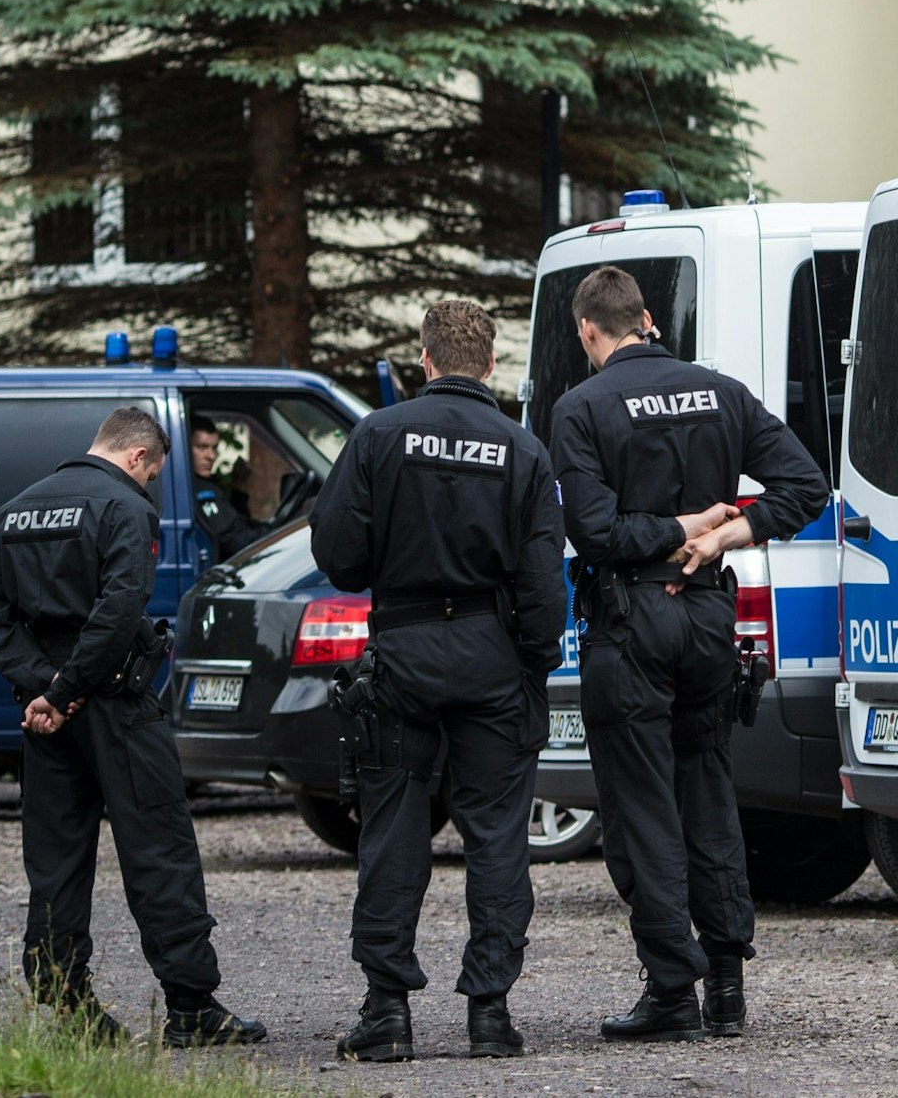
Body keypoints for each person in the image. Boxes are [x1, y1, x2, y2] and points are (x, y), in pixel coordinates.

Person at [548, 266, 828, 1041]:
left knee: (641, 804)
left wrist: (676, 531)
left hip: (631, 617)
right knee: (707, 791)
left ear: (588, 333)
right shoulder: (721, 390)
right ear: (649, 321)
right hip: (708, 620)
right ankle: (728, 987)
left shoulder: (580, 408)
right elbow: (807, 486)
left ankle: (673, 983)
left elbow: (595, 532)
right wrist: (724, 534)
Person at [308, 300, 565, 1062]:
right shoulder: (522, 449)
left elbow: (339, 554)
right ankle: (490, 1011)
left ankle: (387, 1011)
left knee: (391, 831)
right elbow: (547, 589)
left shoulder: (377, 436)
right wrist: (531, 659)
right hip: (492, 654)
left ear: (424, 360)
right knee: (495, 836)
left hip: (404, 651)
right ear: (489, 366)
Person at [0, 406, 266, 1049]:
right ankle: (191, 1009)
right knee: (159, 850)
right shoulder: (124, 508)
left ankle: (67, 1005)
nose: (151, 482)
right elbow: (118, 610)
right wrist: (70, 688)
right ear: (137, 456)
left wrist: (44, 690)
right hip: (113, 704)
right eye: (154, 471)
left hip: (46, 718)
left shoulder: (15, 510)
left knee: (55, 862)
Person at [188, 415, 270, 560]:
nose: (211, 456)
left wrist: (238, 487)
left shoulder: (205, 484)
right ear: (186, 447)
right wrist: (276, 538)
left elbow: (235, 522)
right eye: (202, 447)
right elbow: (235, 540)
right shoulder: (200, 490)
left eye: (214, 448)